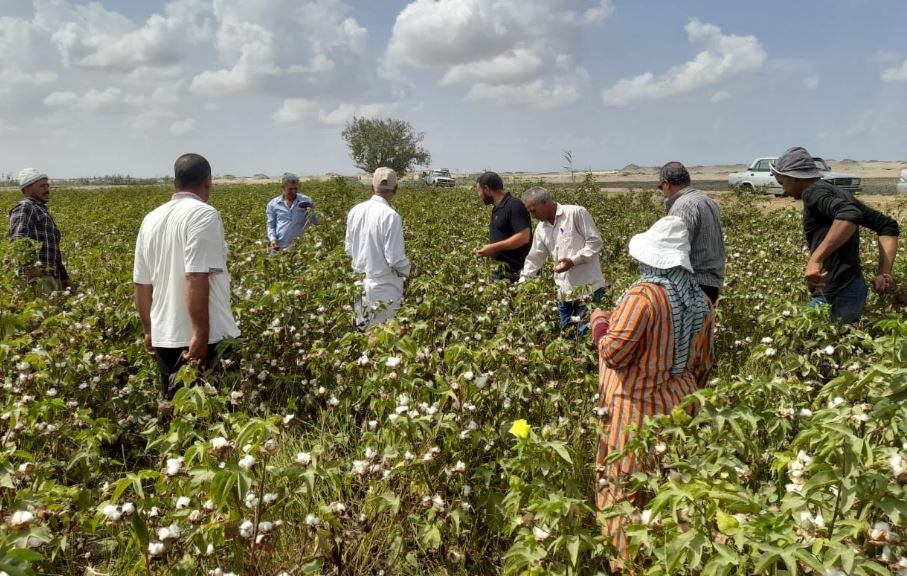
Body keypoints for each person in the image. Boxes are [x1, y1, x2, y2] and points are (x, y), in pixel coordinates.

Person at [589, 215, 714, 567]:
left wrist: (599, 323)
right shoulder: (701, 301)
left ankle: (624, 562)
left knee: (623, 490)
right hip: (680, 409)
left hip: (634, 411)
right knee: (669, 491)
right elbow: (703, 362)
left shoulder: (643, 296)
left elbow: (614, 353)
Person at [133, 153, 240, 401]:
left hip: (165, 336)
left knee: (176, 415)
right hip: (207, 338)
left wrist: (149, 330)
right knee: (220, 415)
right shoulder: (204, 214)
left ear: (175, 183)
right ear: (208, 181)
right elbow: (195, 276)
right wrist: (200, 333)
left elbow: (142, 282)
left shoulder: (150, 219)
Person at [772, 146, 899, 323]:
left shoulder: (812, 193)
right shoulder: (834, 191)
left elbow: (849, 215)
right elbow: (887, 226)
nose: (784, 190)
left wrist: (816, 259)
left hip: (837, 294)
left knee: (799, 342)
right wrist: (884, 273)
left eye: (782, 183)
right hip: (852, 288)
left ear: (794, 178)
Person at [519, 186, 607, 334]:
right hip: (564, 291)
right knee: (568, 337)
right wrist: (522, 283)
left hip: (588, 290)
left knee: (585, 336)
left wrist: (573, 261)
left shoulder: (575, 213)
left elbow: (595, 243)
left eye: (533, 210)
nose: (531, 215)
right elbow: (535, 258)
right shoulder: (541, 228)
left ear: (545, 202)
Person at [345, 167, 412, 329]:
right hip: (384, 290)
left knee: (363, 338)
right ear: (396, 189)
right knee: (382, 341)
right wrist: (410, 268)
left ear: (372, 188)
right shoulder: (390, 216)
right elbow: (395, 259)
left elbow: (348, 249)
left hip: (359, 285)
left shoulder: (355, 211)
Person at [658, 161, 725, 303]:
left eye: (661, 187)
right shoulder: (707, 200)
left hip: (694, 285)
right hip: (711, 283)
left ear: (666, 183)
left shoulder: (682, 206)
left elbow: (676, 254)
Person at [8, 168, 71, 291]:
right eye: (42, 186)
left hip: (51, 278)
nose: (47, 190)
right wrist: (30, 267)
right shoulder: (25, 207)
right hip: (36, 279)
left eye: (47, 185)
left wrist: (64, 278)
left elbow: (54, 251)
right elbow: (18, 239)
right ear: (27, 189)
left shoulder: (41, 209)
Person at [475, 171, 531, 281]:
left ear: (487, 189)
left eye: (479, 191)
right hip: (499, 271)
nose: (479, 195)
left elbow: (524, 237)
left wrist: (493, 248)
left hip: (514, 273)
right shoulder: (497, 208)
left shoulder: (514, 206)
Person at [266, 172, 318, 252]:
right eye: (290, 189)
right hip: (280, 245)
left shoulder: (306, 201)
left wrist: (319, 215)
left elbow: (315, 221)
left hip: (301, 246)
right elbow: (271, 225)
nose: (293, 192)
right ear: (283, 188)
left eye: (295, 189)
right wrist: (273, 240)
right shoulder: (273, 204)